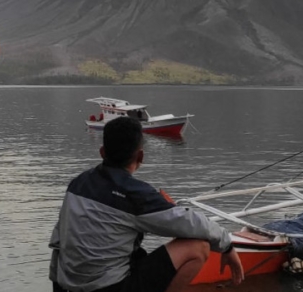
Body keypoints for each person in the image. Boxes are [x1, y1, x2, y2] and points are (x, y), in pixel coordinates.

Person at [49, 117, 245, 292]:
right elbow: (193, 223)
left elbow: (59, 242)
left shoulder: (77, 183)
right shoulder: (135, 194)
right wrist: (226, 246)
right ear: (140, 156)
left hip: (65, 287)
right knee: (198, 246)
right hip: (110, 287)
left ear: (102, 152)